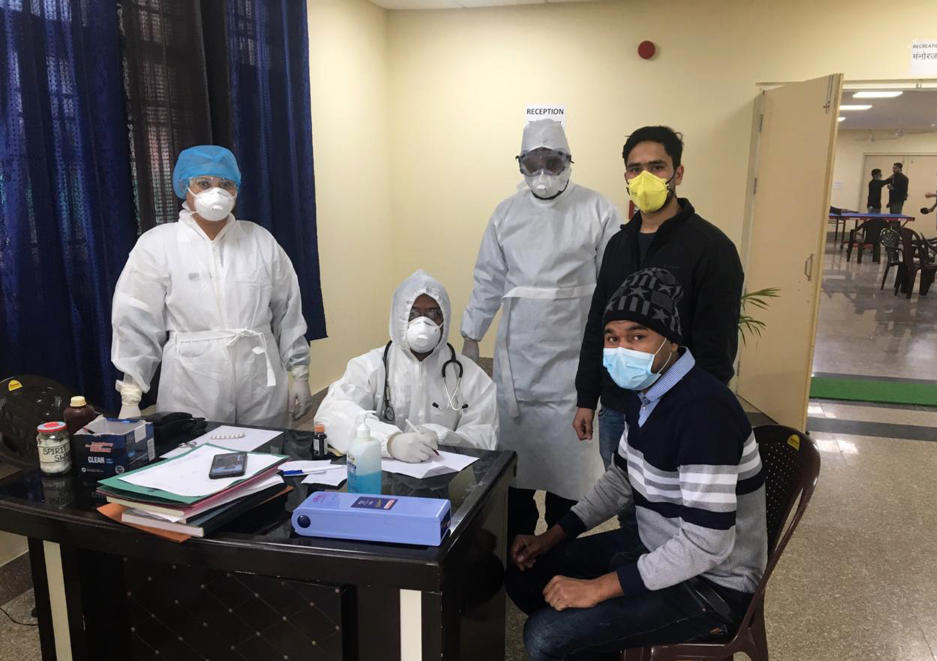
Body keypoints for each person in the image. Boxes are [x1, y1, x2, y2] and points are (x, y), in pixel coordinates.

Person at [509, 268, 766, 661]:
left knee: (545, 641)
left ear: (669, 341)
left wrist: (599, 590)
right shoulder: (647, 391)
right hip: (658, 543)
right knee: (525, 576)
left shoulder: (703, 411)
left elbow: (707, 544)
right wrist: (553, 536)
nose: (620, 350)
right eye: (611, 337)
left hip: (712, 583)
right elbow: (620, 480)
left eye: (637, 336)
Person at [461, 119, 622, 541]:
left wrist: (617, 347)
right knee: (514, 471)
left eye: (552, 162)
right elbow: (488, 279)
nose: (543, 173)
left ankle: (557, 549)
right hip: (520, 364)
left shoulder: (598, 209)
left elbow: (615, 283)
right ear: (520, 165)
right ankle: (514, 550)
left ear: (569, 161)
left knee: (569, 478)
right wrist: (471, 334)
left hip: (577, 366)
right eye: (532, 164)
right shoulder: (506, 214)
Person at [573, 126, 743, 485]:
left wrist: (701, 411)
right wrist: (587, 397)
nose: (645, 177)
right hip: (618, 407)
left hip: (679, 408)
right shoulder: (619, 245)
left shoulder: (711, 248)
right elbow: (597, 325)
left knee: (669, 507)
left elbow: (717, 343)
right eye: (635, 169)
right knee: (624, 498)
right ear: (626, 177)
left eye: (657, 167)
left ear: (677, 173)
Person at [111, 145, 312, 427]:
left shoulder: (259, 241)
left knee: (267, 455)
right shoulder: (159, 245)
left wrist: (299, 373)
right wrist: (131, 397)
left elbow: (288, 311)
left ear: (236, 190)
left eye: (225, 184)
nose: (215, 192)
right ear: (184, 186)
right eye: (203, 183)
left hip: (258, 380)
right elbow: (136, 321)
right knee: (195, 459)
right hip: (192, 382)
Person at [316, 270, 497, 461]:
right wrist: (390, 442)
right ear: (398, 316)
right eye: (413, 313)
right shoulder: (369, 366)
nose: (423, 322)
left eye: (434, 313)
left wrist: (444, 437)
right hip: (382, 474)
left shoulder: (469, 374)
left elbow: (485, 434)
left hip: (447, 475)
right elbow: (332, 413)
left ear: (445, 318)